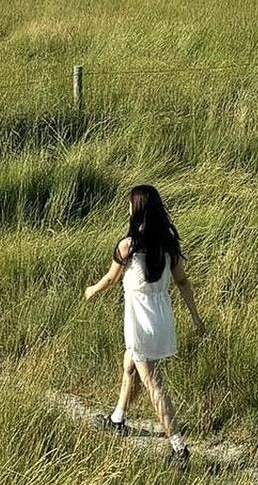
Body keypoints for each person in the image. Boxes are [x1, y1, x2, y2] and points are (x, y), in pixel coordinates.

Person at [85, 183, 206, 462]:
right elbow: (183, 282)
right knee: (130, 365)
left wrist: (92, 290)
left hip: (139, 321)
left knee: (153, 383)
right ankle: (117, 419)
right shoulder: (168, 245)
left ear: (137, 209)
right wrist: (195, 317)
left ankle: (178, 447)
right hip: (161, 319)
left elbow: (110, 278)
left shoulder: (128, 246)